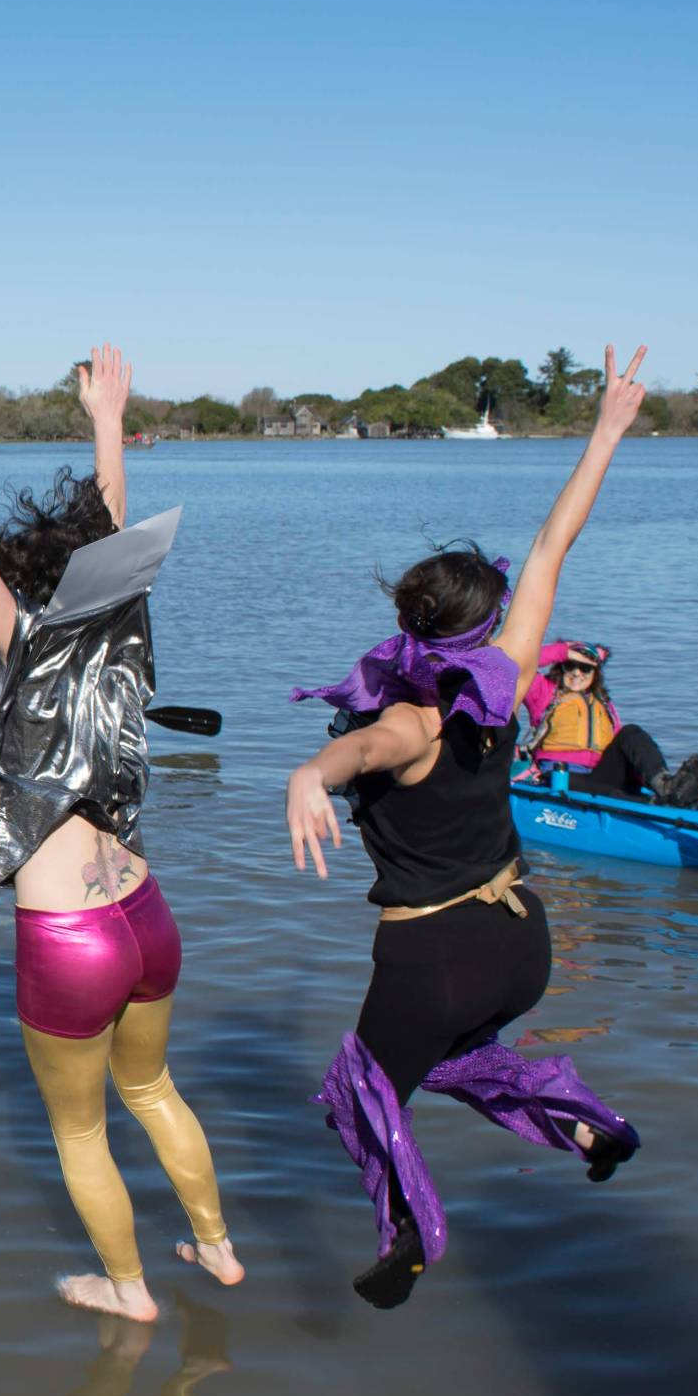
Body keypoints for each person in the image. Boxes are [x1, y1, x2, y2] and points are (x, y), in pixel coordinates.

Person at [286, 344, 650, 1311]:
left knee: (356, 1098)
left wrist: (306, 775)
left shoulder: (403, 722)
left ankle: (408, 1233)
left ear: (408, 620)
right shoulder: (509, 683)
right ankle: (584, 1126)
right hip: (522, 940)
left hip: (434, 954)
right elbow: (550, 549)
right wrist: (607, 429)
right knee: (449, 1058)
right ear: (482, 630)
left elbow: (355, 757)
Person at [0, 335, 239, 1323]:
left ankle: (128, 1293)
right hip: (145, 909)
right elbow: (117, 528)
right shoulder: (124, 623)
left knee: (81, 1134)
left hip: (70, 937)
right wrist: (108, 427)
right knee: (155, 1090)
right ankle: (216, 1249)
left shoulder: (25, 635)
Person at [521, 640, 698, 805]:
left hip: (601, 774)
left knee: (631, 732)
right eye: (570, 665)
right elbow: (521, 662)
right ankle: (652, 804)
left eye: (585, 668)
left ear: (595, 673)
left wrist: (640, 776)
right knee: (607, 792)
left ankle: (666, 786)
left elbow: (625, 750)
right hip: (562, 776)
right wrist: (565, 650)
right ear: (561, 667)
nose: (577, 673)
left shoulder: (603, 703)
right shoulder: (542, 692)